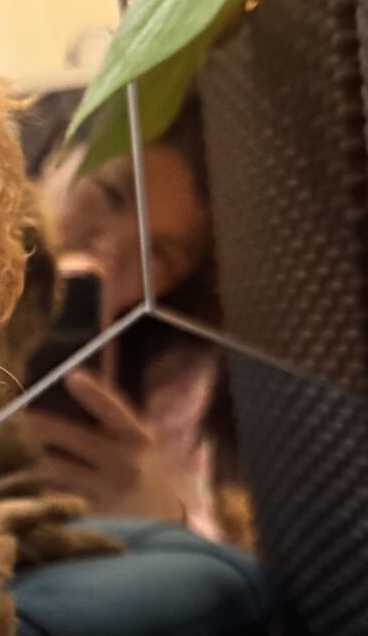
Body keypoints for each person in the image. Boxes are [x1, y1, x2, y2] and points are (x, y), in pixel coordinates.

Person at [25, 100, 246, 544]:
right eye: (110, 195)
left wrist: (164, 518)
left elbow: (213, 554)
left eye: (158, 254)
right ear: (58, 158)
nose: (111, 250)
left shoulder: (174, 376)